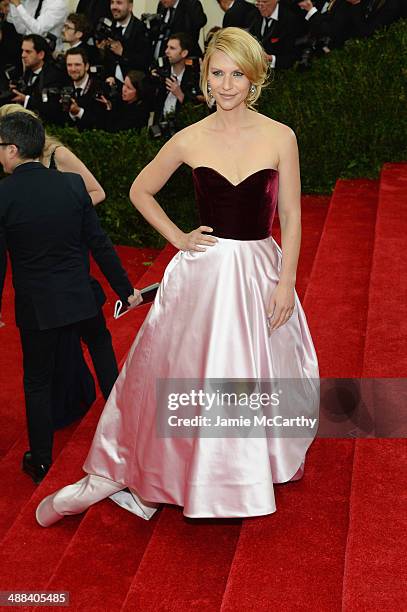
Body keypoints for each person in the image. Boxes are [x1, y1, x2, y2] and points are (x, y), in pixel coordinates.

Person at [36, 27, 319, 526]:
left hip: (258, 272)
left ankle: (241, 471)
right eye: (218, 73)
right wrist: (179, 238)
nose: (227, 84)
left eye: (237, 74)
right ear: (205, 76)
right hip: (202, 276)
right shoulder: (189, 138)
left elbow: (292, 216)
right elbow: (140, 190)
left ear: (253, 79)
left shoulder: (281, 136)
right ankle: (170, 470)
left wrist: (286, 280)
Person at [0, 112, 140, 483]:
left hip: (39, 308)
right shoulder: (72, 186)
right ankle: (124, 427)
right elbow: (100, 244)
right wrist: (126, 290)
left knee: (37, 381)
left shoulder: (4, 196)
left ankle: (41, 460)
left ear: (13, 150)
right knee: (101, 348)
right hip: (81, 295)